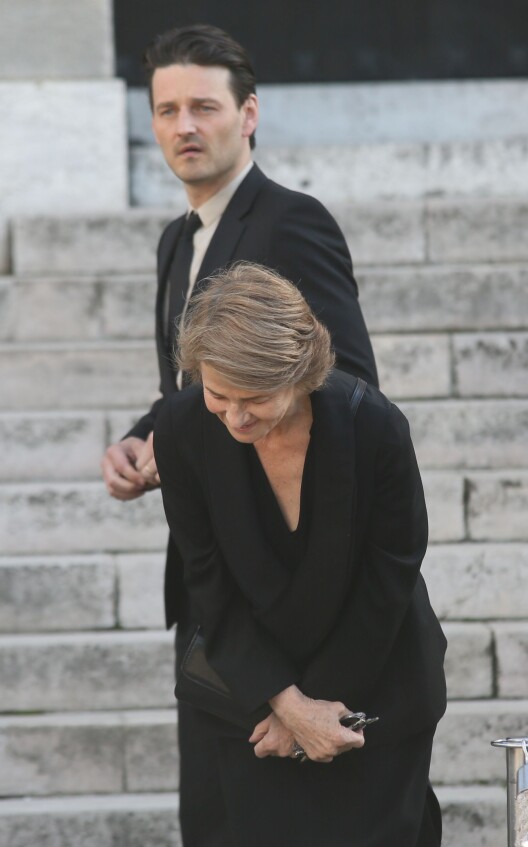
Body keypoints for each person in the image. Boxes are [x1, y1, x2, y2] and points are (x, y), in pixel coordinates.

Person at [153, 262, 447, 847]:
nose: (235, 417)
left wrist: (314, 712)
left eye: (256, 398)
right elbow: (207, 579)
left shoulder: (377, 427)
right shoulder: (181, 429)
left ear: (301, 373)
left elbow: (390, 574)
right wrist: (285, 705)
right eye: (218, 393)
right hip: (254, 705)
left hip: (376, 689)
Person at [101, 23, 377, 543]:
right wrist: (141, 439)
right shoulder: (175, 239)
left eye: (204, 107)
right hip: (204, 539)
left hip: (277, 536)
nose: (185, 126)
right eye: (167, 110)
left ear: (248, 114)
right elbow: (189, 386)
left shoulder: (293, 221)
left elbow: (351, 383)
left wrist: (182, 433)